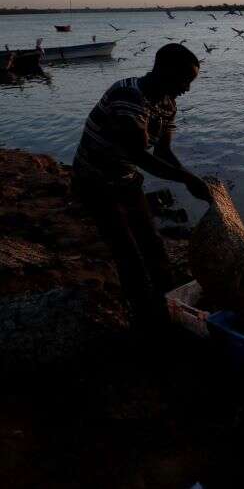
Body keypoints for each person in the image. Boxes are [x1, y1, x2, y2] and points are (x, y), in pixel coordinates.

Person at [72, 43, 211, 329]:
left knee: (152, 244)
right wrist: (187, 179)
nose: (187, 89)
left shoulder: (167, 103)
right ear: (163, 70)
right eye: (184, 80)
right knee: (127, 252)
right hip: (94, 181)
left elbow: (163, 152)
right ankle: (144, 318)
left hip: (126, 178)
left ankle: (170, 303)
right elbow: (139, 155)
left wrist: (190, 177)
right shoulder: (127, 95)